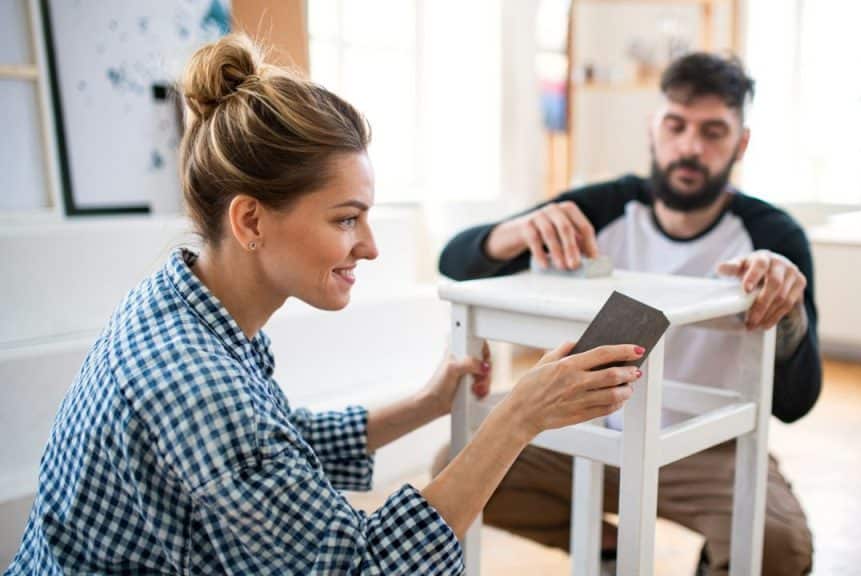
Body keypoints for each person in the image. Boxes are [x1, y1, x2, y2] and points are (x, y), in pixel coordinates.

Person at [4, 34, 648, 576]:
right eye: (346, 220)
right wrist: (516, 418)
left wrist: (427, 404)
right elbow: (361, 568)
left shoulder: (191, 306)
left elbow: (276, 445)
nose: (368, 247)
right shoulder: (194, 379)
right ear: (250, 219)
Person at [436, 53, 821, 575]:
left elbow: (797, 403)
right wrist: (516, 230)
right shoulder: (603, 207)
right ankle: (607, 552)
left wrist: (788, 311)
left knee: (780, 549)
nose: (690, 147)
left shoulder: (774, 238)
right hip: (591, 425)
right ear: (652, 127)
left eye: (713, 132)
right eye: (675, 125)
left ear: (741, 143)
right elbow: (455, 264)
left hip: (710, 448)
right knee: (455, 466)